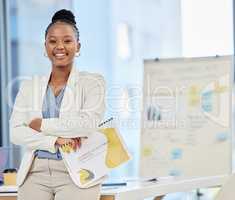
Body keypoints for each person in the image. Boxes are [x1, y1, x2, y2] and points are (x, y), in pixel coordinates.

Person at [10, 9, 106, 200]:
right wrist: (54, 140)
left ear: (78, 46)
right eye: (52, 41)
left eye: (67, 41)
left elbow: (86, 124)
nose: (59, 46)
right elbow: (15, 132)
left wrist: (41, 125)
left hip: (77, 172)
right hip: (34, 173)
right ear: (45, 47)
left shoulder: (93, 82)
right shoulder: (30, 86)